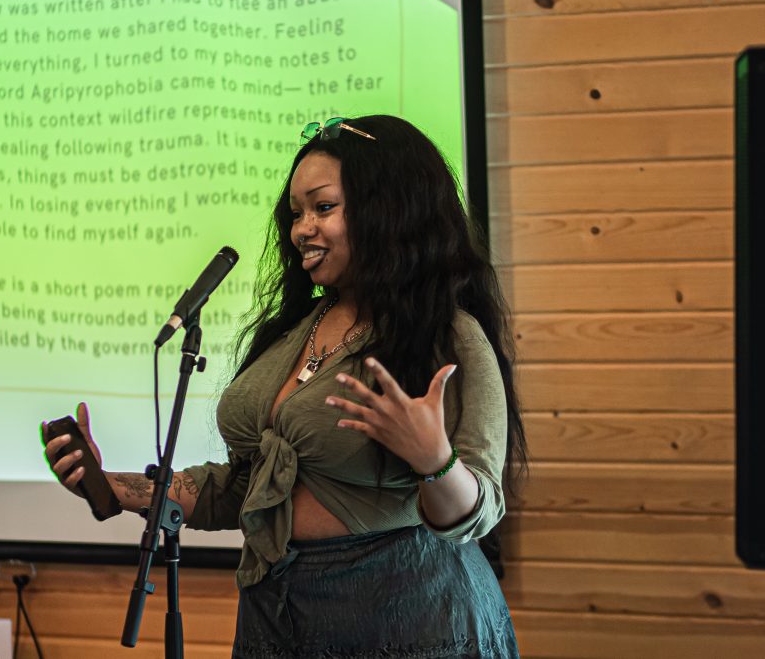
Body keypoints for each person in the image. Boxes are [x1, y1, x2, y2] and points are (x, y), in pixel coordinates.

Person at [44, 115, 527, 658]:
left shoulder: (451, 336)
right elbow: (246, 487)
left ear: (390, 209)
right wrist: (110, 485)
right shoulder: (294, 333)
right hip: (279, 617)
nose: (301, 228)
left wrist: (433, 458)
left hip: (412, 618)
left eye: (323, 208)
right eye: (296, 213)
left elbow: (478, 510)